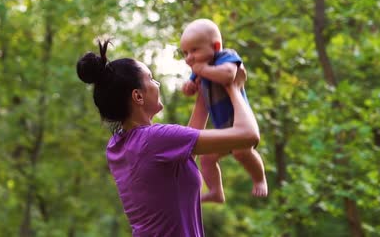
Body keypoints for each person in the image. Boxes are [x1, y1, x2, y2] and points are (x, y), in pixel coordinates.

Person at [77, 39, 259, 236]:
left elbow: (183, 157)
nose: (157, 83)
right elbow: (248, 136)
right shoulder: (154, 140)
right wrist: (235, 88)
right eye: (151, 78)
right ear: (138, 96)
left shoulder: (117, 146)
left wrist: (204, 95)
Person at [180, 18, 268, 201]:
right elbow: (192, 86)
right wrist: (189, 86)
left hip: (239, 123)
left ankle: (259, 179)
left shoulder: (226, 57)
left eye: (194, 50)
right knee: (207, 158)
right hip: (224, 130)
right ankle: (215, 191)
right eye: (185, 53)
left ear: (216, 46)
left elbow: (229, 75)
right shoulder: (200, 68)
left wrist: (203, 70)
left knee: (243, 152)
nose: (189, 58)